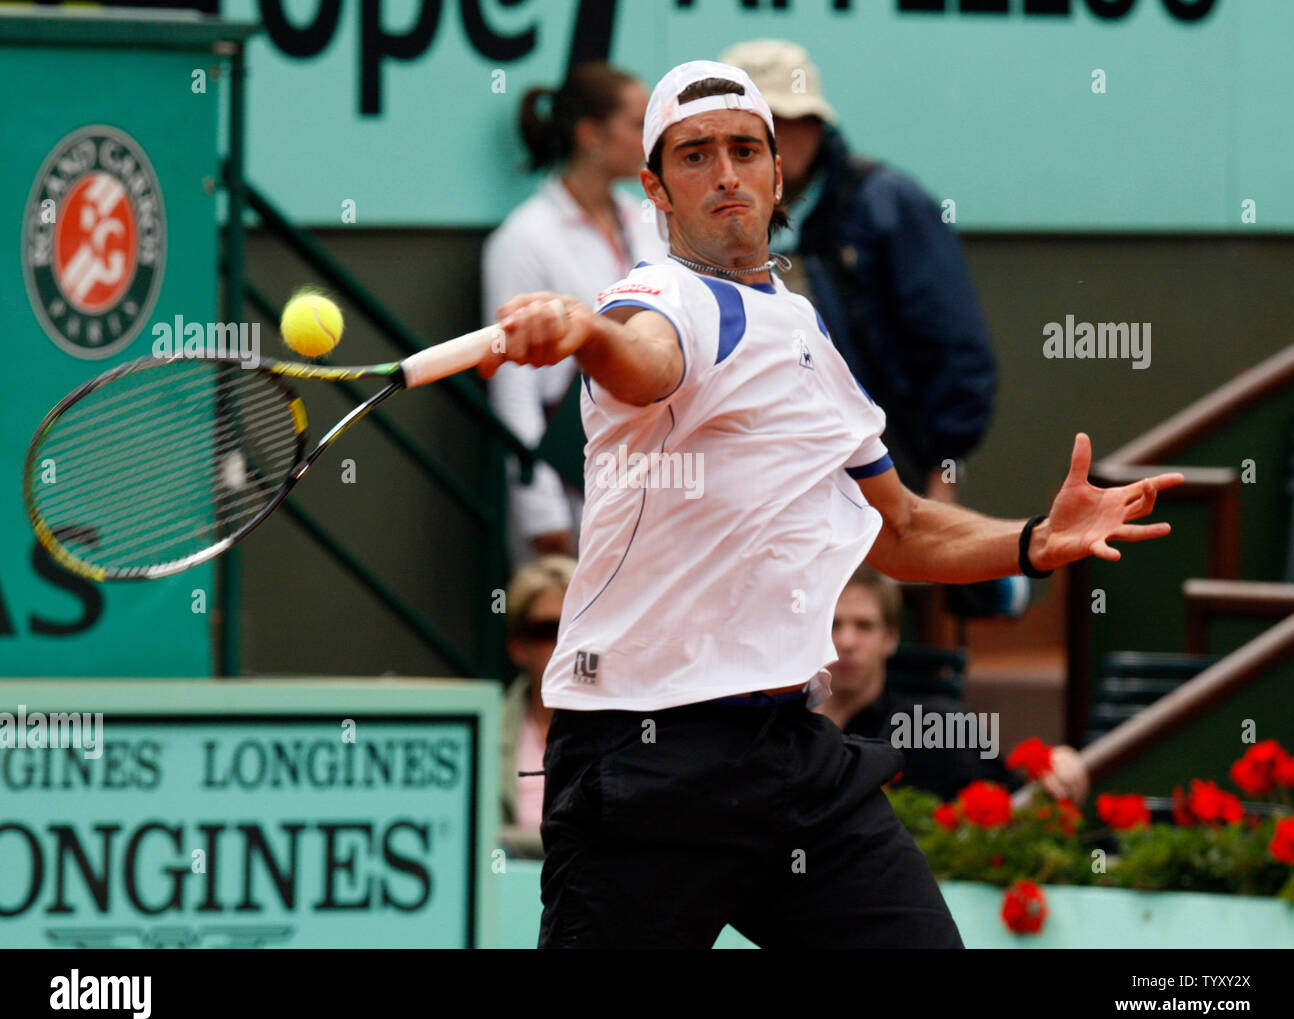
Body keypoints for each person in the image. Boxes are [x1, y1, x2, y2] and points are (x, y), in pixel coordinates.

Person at [478, 59, 1182, 949]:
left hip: (786, 758)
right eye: (694, 156)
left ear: (779, 174)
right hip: (643, 761)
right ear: (654, 186)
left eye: (745, 150)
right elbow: (644, 355)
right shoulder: (663, 299)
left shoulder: (804, 332)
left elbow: (907, 527)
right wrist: (584, 331)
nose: (725, 173)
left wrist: (1036, 539)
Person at [720, 40, 995, 502]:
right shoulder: (699, 223)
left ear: (816, 123)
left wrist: (941, 473)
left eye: (785, 122)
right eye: (749, 131)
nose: (770, 144)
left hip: (882, 482)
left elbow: (958, 350)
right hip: (750, 486)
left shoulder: (888, 204)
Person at [482, 62, 667, 568]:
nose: (650, 135)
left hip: (655, 485)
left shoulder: (648, 222)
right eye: (636, 123)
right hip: (572, 491)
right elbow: (514, 395)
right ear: (590, 134)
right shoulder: (523, 239)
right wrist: (544, 519)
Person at [818, 562, 1089, 803]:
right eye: (833, 625)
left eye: (864, 626)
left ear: (890, 638)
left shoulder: (934, 727)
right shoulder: (782, 730)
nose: (846, 642)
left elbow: (1010, 799)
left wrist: (1055, 765)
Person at [498, 554, 576, 859]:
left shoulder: (625, 729)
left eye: (572, 626)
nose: (561, 642)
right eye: (546, 630)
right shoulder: (488, 731)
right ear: (519, 647)